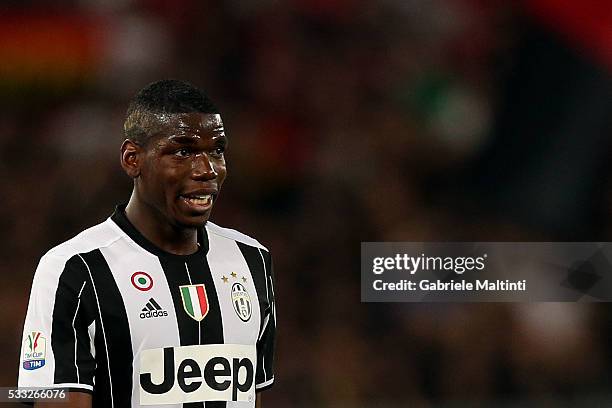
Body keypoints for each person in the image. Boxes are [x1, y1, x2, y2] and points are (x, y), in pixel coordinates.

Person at [18, 79, 276, 408]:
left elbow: (254, 395)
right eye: (184, 151)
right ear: (132, 159)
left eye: (217, 150)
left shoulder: (252, 261)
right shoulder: (74, 268)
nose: (207, 169)